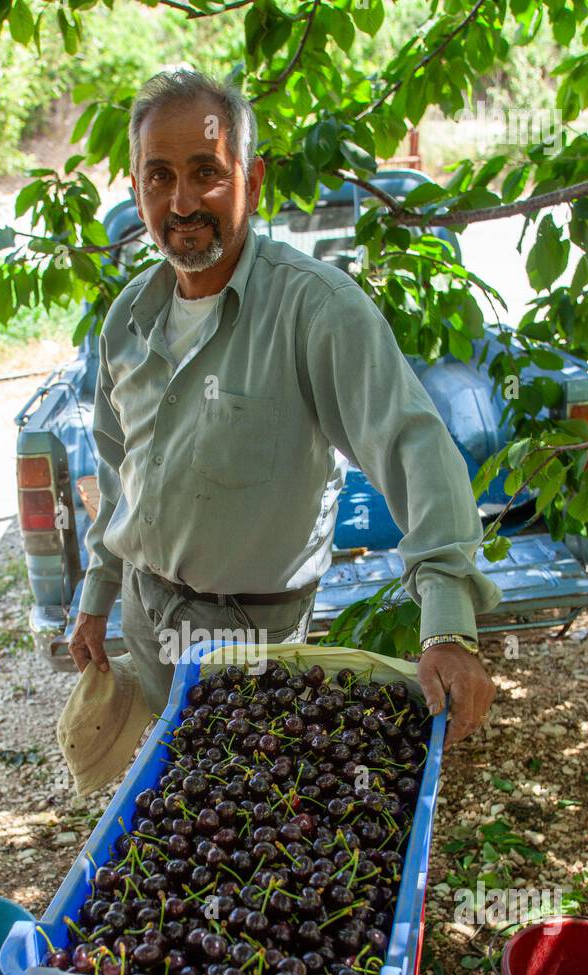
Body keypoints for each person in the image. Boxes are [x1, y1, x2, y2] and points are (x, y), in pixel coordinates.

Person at [69, 68, 500, 747]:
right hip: (145, 614)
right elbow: (117, 470)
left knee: (241, 811)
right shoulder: (129, 318)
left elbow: (411, 445)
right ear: (136, 189)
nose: (182, 202)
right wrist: (96, 599)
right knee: (164, 787)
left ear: (253, 178)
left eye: (205, 172)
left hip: (252, 640)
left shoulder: (316, 309)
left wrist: (447, 624)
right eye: (159, 177)